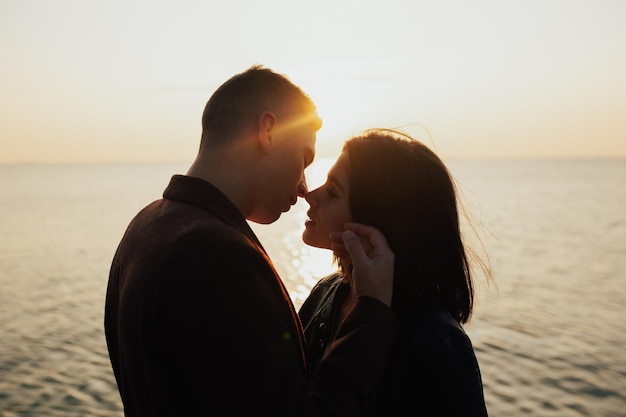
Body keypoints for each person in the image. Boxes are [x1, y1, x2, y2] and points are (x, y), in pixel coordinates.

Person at [104, 66, 398, 416]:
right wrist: (372, 313)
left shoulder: (144, 227)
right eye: (304, 159)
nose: (304, 185)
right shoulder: (219, 257)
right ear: (269, 131)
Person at [299, 129, 490, 416]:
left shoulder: (438, 345)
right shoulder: (325, 294)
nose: (310, 196)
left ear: (376, 219)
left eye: (333, 191)